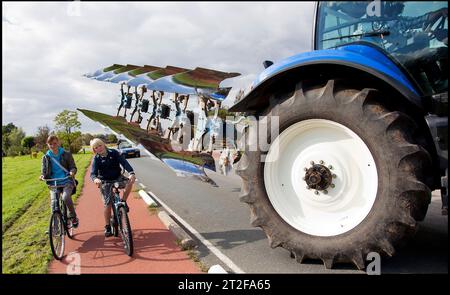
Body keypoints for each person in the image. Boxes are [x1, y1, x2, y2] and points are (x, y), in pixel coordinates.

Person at [90, 138, 136, 237]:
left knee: (130, 182)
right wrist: (96, 180)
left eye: (100, 145)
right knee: (108, 204)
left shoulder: (114, 152)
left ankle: (123, 201)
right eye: (96, 147)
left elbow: (124, 163)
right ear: (94, 150)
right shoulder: (96, 159)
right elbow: (93, 174)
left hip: (117, 178)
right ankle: (107, 226)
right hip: (105, 182)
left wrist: (131, 173)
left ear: (104, 144)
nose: (99, 148)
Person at [39, 135, 79, 227]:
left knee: (65, 197)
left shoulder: (66, 154)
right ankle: (55, 228)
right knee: (54, 204)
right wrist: (42, 176)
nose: (53, 146)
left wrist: (72, 172)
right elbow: (44, 171)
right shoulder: (45, 157)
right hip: (54, 183)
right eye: (50, 144)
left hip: (66, 181)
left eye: (54, 143)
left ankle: (73, 217)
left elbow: (73, 167)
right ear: (47, 144)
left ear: (58, 143)